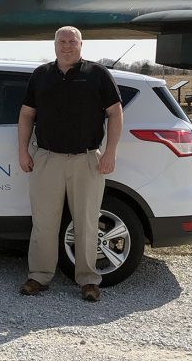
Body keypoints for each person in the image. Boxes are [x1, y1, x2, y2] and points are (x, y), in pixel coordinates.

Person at [17, 26, 123, 301]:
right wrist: (23, 151)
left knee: (87, 222)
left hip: (86, 159)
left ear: (80, 44)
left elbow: (115, 113)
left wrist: (110, 152)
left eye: (72, 41)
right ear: (55, 44)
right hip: (47, 158)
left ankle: (88, 280)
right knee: (44, 222)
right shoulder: (41, 75)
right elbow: (27, 114)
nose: (66, 46)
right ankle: (39, 277)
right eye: (62, 41)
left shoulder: (98, 74)